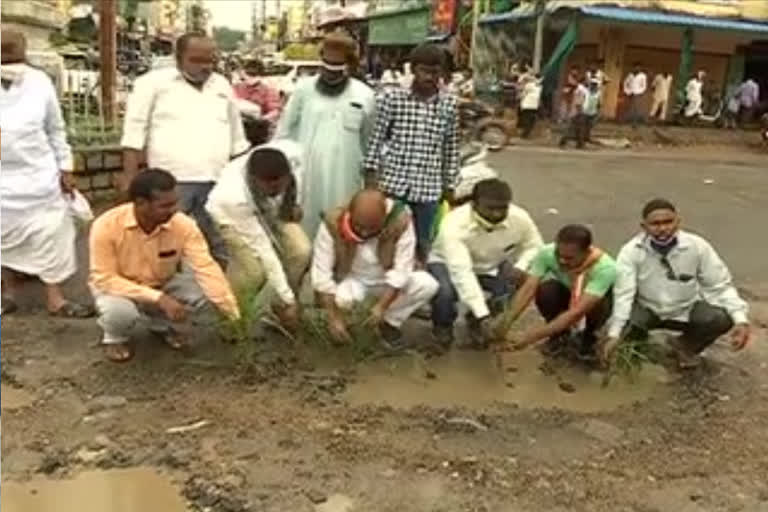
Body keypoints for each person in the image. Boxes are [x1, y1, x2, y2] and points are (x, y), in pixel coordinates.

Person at [121, 32, 249, 270]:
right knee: (164, 245)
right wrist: (130, 177)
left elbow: (237, 136)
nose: (205, 67)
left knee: (218, 245)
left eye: (210, 60)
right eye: (197, 60)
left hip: (216, 180)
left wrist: (240, 182)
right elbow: (133, 132)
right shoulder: (152, 83)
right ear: (178, 58)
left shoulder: (221, 85)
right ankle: (159, 296)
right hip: (170, 183)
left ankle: (214, 297)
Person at [89, 170, 240, 362]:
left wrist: (232, 313)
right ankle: (114, 338)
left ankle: (161, 326)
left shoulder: (183, 225)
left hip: (163, 282)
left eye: (175, 203)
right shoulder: (106, 226)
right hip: (117, 289)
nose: (174, 210)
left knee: (204, 293)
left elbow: (206, 267)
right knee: (120, 313)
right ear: (141, 203)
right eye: (165, 205)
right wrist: (159, 298)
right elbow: (104, 278)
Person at [0, 30, 94, 318]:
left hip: (40, 176)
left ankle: (56, 300)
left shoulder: (39, 82)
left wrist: (65, 167)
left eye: (13, 51)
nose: (9, 59)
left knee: (52, 234)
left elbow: (56, 128)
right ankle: (6, 295)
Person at [601, 199, 750, 369]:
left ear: (678, 222)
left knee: (721, 318)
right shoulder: (631, 252)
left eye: (668, 222)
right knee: (625, 325)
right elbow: (623, 293)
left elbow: (720, 286)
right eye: (655, 224)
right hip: (647, 309)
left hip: (685, 309)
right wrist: (614, 334)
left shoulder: (698, 247)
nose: (663, 228)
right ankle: (637, 350)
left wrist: (741, 320)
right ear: (644, 226)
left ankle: (685, 347)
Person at [364, 43, 460, 262]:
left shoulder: (449, 104)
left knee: (423, 243)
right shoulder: (392, 98)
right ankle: (386, 286)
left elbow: (450, 146)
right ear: (413, 69)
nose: (429, 77)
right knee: (388, 238)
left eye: (435, 72)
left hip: (428, 189)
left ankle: (417, 288)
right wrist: (370, 178)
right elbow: (376, 138)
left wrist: (450, 185)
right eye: (424, 71)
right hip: (394, 185)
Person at [275, 31, 375, 237]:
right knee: (304, 231)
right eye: (326, 67)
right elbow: (284, 132)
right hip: (306, 177)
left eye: (337, 69)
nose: (330, 74)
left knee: (340, 230)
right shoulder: (303, 90)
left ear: (349, 66)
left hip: (346, 179)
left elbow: (370, 142)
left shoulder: (365, 95)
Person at [311, 189, 439, 349]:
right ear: (350, 214)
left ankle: (388, 324)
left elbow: (402, 271)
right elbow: (321, 275)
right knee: (341, 300)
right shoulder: (333, 223)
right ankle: (349, 327)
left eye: (372, 227)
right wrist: (333, 318)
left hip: (386, 280)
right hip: (353, 280)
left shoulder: (400, 222)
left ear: (384, 218)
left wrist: (381, 307)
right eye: (359, 226)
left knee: (427, 285)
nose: (364, 232)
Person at [206, 140, 311, 333]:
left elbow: (299, 177)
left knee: (301, 250)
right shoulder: (232, 196)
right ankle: (231, 320)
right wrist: (289, 298)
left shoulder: (294, 151)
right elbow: (265, 250)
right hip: (229, 215)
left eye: (280, 186)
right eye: (270, 188)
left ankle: (280, 310)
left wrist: (293, 201)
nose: (276, 190)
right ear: (255, 180)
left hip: (272, 208)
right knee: (254, 271)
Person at [428, 179, 543, 349]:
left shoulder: (520, 217)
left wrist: (521, 266)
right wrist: (483, 314)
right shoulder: (453, 225)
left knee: (521, 282)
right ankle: (443, 326)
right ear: (473, 204)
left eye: (502, 208)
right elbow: (462, 272)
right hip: (447, 263)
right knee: (445, 292)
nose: (497, 214)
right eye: (490, 208)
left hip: (492, 264)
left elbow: (535, 246)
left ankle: (476, 322)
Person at [503, 225, 617, 358]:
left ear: (586, 252)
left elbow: (577, 312)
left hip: (594, 301)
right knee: (546, 290)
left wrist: (532, 336)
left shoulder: (606, 268)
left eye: (569, 258)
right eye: (559, 255)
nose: (562, 261)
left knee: (597, 305)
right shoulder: (547, 253)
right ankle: (558, 336)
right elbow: (528, 289)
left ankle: (589, 337)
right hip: (569, 292)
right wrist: (506, 322)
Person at [233, 58, 282, 123]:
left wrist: (262, 119)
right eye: (247, 75)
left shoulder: (268, 90)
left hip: (258, 125)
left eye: (253, 76)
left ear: (260, 75)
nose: (250, 78)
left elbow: (275, 111)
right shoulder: (237, 87)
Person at [559, 77, 589, 149]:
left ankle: (578, 143)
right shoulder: (581, 89)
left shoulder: (579, 88)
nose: (588, 82)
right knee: (576, 128)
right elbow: (579, 101)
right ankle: (565, 142)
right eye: (587, 81)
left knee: (577, 128)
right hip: (578, 111)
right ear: (584, 82)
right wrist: (580, 110)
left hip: (576, 111)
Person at [518, 73, 542, 139]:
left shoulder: (540, 87)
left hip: (534, 106)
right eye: (538, 79)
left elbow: (538, 97)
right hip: (527, 105)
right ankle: (524, 135)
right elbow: (523, 94)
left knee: (532, 121)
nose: (539, 80)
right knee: (528, 120)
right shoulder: (529, 85)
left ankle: (525, 134)